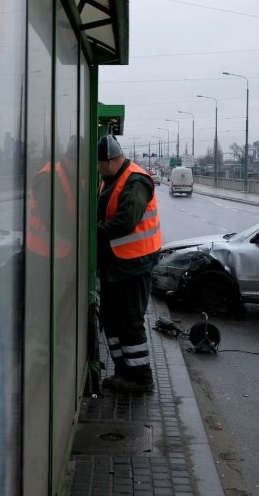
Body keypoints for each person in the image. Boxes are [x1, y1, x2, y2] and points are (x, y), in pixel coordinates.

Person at [96, 135, 162, 393]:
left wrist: (91, 230)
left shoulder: (135, 180)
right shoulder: (111, 180)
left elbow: (125, 222)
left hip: (134, 265)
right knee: (111, 319)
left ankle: (141, 377)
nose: (98, 170)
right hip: (116, 265)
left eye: (99, 164)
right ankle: (123, 371)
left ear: (110, 161)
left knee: (130, 320)